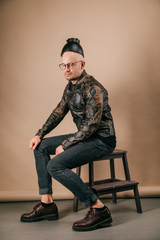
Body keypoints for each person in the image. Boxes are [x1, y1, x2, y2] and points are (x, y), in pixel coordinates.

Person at [21, 38, 116, 231]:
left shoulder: (94, 88)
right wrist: (39, 134)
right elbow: (59, 112)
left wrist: (66, 144)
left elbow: (92, 125)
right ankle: (47, 205)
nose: (66, 69)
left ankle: (98, 209)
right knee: (40, 147)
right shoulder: (71, 87)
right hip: (84, 136)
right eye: (63, 65)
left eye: (70, 65)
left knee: (55, 165)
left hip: (101, 140)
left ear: (82, 64)